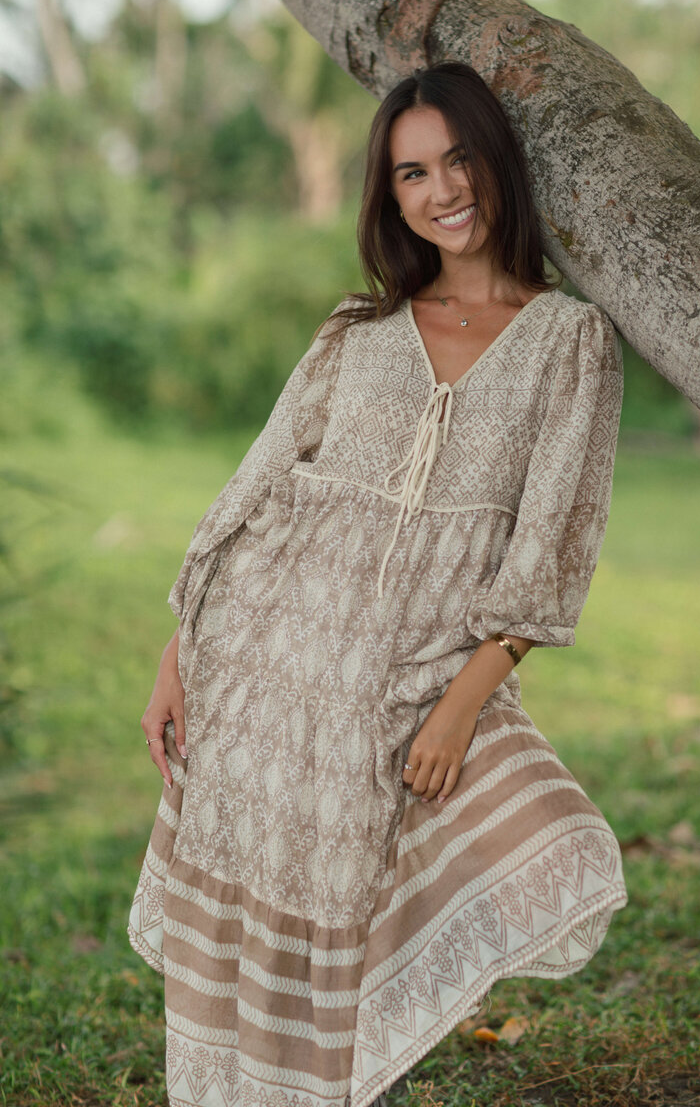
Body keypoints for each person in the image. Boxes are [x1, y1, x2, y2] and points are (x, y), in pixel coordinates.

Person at [128, 60, 628, 1107]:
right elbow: (251, 493)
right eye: (410, 174)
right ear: (386, 196)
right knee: (251, 929)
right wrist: (179, 655)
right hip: (266, 666)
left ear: (496, 159)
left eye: (456, 160)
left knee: (525, 845)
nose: (441, 191)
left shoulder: (567, 343)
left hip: (409, 677)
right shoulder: (352, 334)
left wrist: (460, 704)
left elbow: (548, 552)